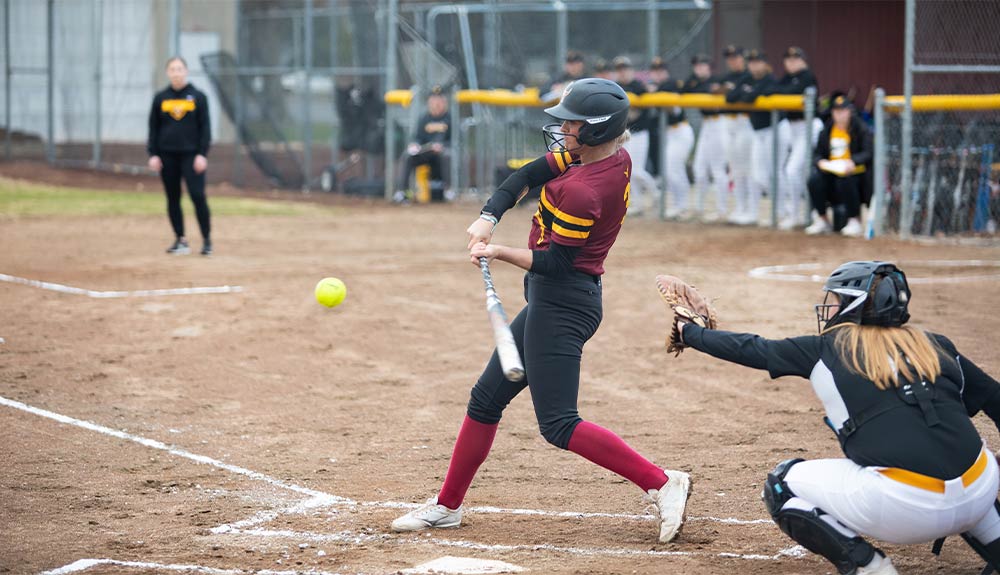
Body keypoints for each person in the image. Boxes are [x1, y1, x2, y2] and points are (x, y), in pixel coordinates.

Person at [391, 78, 692, 543]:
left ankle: (661, 482)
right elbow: (526, 176)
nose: (562, 130)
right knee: (486, 399)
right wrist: (488, 217)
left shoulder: (585, 191)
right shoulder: (607, 155)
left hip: (565, 302)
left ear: (594, 131)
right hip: (555, 298)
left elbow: (555, 262)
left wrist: (498, 252)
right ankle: (447, 506)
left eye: (571, 123)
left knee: (558, 423)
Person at [675, 260, 1000, 575]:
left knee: (782, 484)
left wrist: (689, 332)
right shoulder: (935, 345)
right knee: (968, 468)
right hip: (981, 488)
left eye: (835, 299)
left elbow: (753, 348)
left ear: (853, 305)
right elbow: (995, 399)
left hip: (907, 508)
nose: (828, 307)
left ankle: (870, 567)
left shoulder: (826, 348)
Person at [147, 56, 212, 256]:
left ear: (186, 71)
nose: (176, 72)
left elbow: (205, 128)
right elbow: (153, 128)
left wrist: (202, 154)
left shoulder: (197, 97)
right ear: (168, 73)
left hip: (191, 156)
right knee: (173, 197)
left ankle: (206, 240)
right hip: (167, 156)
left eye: (180, 69)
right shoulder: (161, 98)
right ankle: (180, 240)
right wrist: (153, 154)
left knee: (197, 196)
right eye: (172, 69)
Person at [805, 95, 873, 237]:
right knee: (814, 180)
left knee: (846, 180)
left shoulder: (860, 128)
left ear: (849, 111)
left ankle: (854, 220)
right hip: (831, 172)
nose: (839, 115)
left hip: (855, 174)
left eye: (842, 111)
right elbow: (817, 153)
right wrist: (820, 162)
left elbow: (868, 152)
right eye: (836, 111)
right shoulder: (827, 130)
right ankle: (822, 219)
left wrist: (853, 161)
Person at [768, 46, 819, 230]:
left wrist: (784, 90)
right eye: (788, 59)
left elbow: (790, 90)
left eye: (795, 59)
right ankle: (803, 213)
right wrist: (784, 89)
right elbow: (772, 89)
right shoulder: (787, 77)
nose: (791, 62)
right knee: (794, 171)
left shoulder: (807, 76)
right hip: (792, 127)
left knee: (793, 170)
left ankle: (801, 213)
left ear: (803, 60)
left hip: (809, 126)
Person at [726, 49, 777, 227]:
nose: (754, 65)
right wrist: (748, 92)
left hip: (775, 129)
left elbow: (750, 96)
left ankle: (781, 211)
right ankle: (753, 212)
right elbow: (730, 97)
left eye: (758, 62)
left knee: (774, 172)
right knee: (755, 173)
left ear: (764, 63)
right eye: (752, 62)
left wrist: (748, 93)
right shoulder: (747, 78)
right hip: (757, 131)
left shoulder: (770, 78)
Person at [683, 54, 729, 222]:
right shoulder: (695, 82)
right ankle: (699, 208)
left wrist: (703, 88)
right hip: (706, 125)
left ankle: (722, 210)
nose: (699, 68)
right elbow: (684, 91)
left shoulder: (717, 80)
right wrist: (696, 81)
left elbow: (717, 90)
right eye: (696, 66)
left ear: (709, 67)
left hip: (719, 123)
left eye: (703, 65)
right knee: (699, 168)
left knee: (717, 169)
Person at [614, 56, 657, 215]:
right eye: (620, 69)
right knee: (627, 170)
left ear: (631, 70)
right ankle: (638, 204)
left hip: (640, 133)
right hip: (624, 134)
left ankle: (655, 192)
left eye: (625, 69)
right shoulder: (616, 86)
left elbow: (643, 105)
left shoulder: (638, 86)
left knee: (637, 170)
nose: (623, 72)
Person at [719, 45, 756, 225]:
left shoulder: (749, 75)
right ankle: (740, 207)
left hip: (744, 122)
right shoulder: (726, 77)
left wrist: (732, 91)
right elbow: (726, 96)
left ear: (743, 58)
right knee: (735, 168)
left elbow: (731, 96)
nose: (733, 60)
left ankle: (751, 209)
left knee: (747, 168)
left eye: (736, 57)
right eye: (730, 57)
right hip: (728, 123)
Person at [653, 62, 695, 220]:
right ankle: (679, 206)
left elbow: (674, 108)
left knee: (674, 169)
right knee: (670, 170)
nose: (658, 74)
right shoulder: (656, 87)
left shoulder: (671, 84)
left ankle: (682, 207)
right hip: (669, 133)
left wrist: (656, 93)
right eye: (655, 71)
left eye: (660, 70)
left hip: (681, 131)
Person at [398, 86, 451, 203]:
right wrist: (414, 145)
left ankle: (448, 191)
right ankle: (404, 192)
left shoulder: (449, 118)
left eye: (439, 100)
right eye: (433, 100)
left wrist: (443, 145)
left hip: (442, 153)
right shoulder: (424, 118)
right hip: (426, 151)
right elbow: (417, 137)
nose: (436, 103)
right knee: (408, 157)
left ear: (444, 102)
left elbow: (456, 140)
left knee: (446, 156)